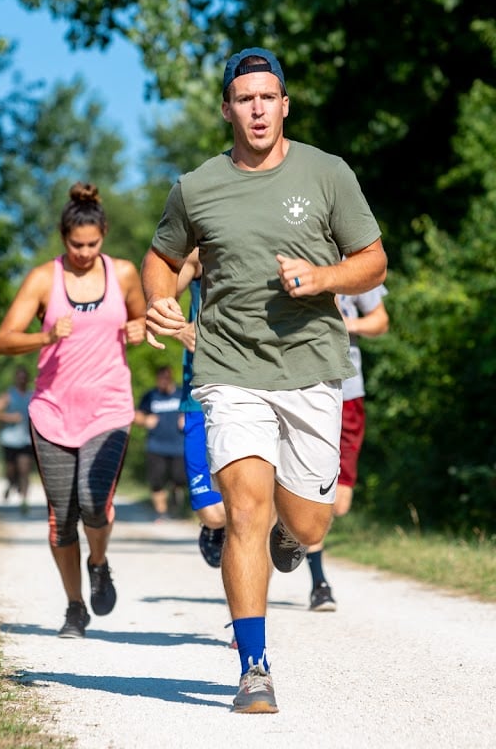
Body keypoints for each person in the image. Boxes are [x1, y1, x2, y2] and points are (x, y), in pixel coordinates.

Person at [141, 47, 387, 714]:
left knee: (308, 526)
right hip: (228, 369)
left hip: (311, 369)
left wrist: (325, 278)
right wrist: (159, 299)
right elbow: (161, 258)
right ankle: (254, 667)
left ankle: (291, 534)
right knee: (244, 510)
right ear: (227, 108)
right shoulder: (197, 186)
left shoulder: (328, 174)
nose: (256, 108)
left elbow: (372, 261)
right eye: (244, 98)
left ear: (285, 104)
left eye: (267, 96)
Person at [0, 182, 146, 639]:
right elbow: (3, 340)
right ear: (63, 239)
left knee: (95, 502)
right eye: (76, 245)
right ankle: (75, 607)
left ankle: (98, 563)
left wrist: (138, 329)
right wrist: (45, 336)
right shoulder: (44, 279)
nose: (84, 252)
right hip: (53, 412)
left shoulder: (121, 274)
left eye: (92, 244)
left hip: (109, 408)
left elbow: (141, 315)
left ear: (104, 236)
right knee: (62, 516)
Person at [306, 284, 389, 612]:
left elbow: (380, 321)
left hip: (349, 392)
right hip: (304, 389)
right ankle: (319, 582)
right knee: (313, 490)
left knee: (338, 504)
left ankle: (296, 526)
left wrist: (346, 323)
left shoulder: (355, 264)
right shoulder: (294, 251)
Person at [175, 249, 227, 567]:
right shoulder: (198, 254)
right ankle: (215, 527)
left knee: (251, 504)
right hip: (199, 392)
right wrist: (179, 327)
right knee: (213, 512)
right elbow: (157, 294)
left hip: (254, 386)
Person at [134, 365, 187, 521]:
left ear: (171, 377)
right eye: (161, 378)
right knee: (156, 481)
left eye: (166, 377)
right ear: (157, 379)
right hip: (156, 446)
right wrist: (145, 420)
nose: (164, 381)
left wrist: (187, 419)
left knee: (179, 479)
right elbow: (136, 415)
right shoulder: (151, 395)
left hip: (179, 446)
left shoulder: (181, 394)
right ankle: (161, 513)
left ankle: (176, 507)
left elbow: (195, 411)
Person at [0, 365, 34, 513]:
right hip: (10, 439)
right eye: (19, 377)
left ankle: (24, 501)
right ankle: (10, 483)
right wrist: (9, 418)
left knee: (24, 469)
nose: (22, 380)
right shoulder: (8, 395)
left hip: (27, 439)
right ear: (16, 379)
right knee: (11, 470)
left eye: (24, 377)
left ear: (27, 379)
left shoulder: (32, 395)